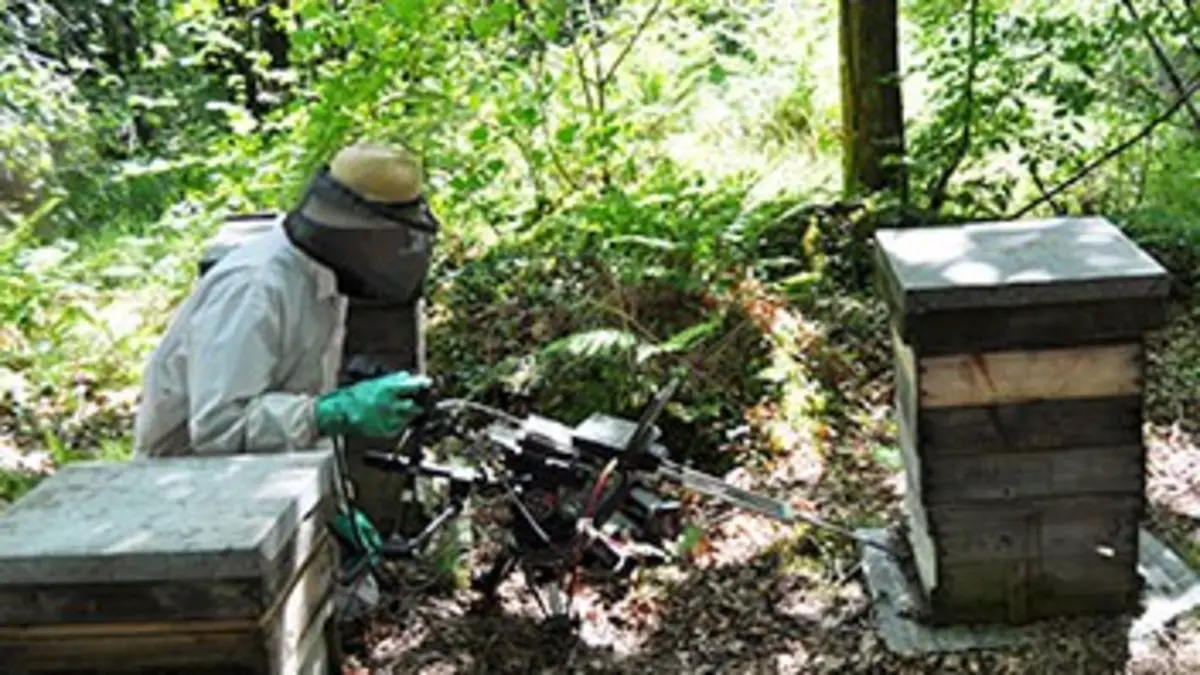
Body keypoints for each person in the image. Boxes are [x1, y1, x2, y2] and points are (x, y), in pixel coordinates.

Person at [132, 142, 438, 458]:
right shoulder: (255, 286)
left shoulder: (327, 275)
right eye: (389, 238)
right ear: (355, 230)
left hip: (272, 470)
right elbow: (218, 426)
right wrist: (326, 414)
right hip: (193, 479)